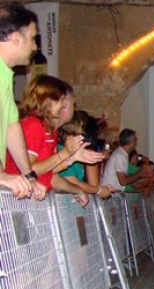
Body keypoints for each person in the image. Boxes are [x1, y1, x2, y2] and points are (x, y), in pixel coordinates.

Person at [5, 75, 103, 205]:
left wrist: (78, 190)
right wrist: (65, 154)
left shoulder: (50, 130)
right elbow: (28, 171)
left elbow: (50, 177)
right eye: (61, 100)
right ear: (48, 100)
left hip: (34, 200)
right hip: (18, 200)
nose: (63, 105)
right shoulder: (34, 125)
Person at [0, 2, 47, 200]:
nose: (35, 47)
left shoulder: (5, 75)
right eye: (33, 39)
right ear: (16, 38)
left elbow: (12, 127)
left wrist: (29, 176)